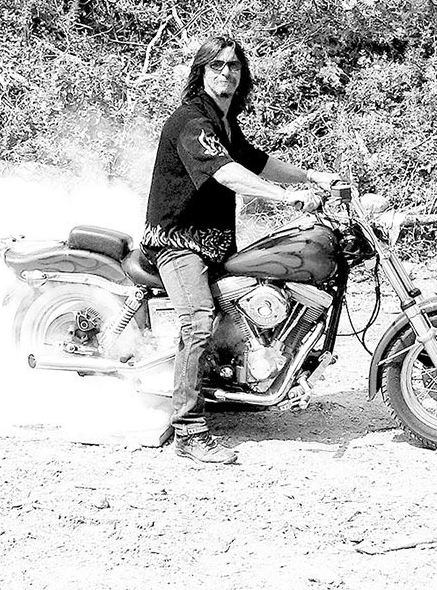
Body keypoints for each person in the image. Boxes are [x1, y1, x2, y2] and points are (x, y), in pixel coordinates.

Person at [141, 35, 339, 464]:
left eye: (233, 65)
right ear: (201, 72)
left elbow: (255, 160)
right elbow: (228, 172)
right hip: (178, 240)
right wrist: (286, 198)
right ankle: (189, 433)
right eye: (216, 65)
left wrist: (311, 178)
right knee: (197, 322)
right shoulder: (193, 122)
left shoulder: (224, 122)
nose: (226, 72)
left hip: (211, 242)